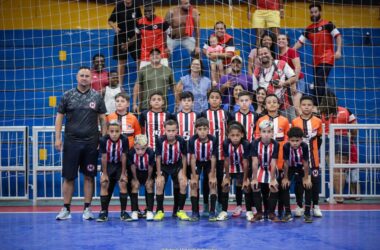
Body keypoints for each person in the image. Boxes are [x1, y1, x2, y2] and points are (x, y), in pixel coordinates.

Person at [55, 67, 107, 220]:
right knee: (68, 177)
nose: (84, 78)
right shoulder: (67, 95)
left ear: (91, 78)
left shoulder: (97, 97)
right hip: (71, 143)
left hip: (91, 143)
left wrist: (102, 139)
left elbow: (103, 119)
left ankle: (87, 209)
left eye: (87, 76)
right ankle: (66, 209)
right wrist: (57, 138)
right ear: (77, 77)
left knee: (89, 176)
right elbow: (59, 118)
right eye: (82, 75)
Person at [293, 3, 342, 106]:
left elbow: (338, 36)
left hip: (327, 58)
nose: (313, 14)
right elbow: (299, 43)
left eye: (315, 12)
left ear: (320, 12)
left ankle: (319, 107)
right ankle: (325, 105)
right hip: (316, 62)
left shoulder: (328, 24)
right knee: (317, 84)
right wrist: (290, 51)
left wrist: (338, 51)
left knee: (319, 82)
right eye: (311, 12)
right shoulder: (309, 29)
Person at [254, 94, 289, 218]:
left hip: (279, 159)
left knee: (277, 186)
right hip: (263, 159)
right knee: (264, 187)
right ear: (265, 105)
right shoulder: (261, 119)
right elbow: (257, 136)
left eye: (275, 102)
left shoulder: (284, 120)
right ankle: (265, 211)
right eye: (269, 102)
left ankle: (279, 211)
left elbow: (287, 139)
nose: (272, 104)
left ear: (279, 104)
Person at [320, 92, 357, 204]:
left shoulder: (320, 113)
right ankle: (339, 195)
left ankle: (337, 196)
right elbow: (355, 128)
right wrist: (351, 139)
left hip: (328, 140)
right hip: (344, 139)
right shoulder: (346, 110)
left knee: (333, 170)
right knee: (340, 170)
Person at [291, 95, 323, 217]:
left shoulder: (318, 121)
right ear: (300, 106)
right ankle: (299, 206)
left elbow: (319, 139)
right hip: (299, 159)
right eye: (304, 105)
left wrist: (313, 150)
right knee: (299, 183)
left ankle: (316, 206)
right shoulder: (295, 121)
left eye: (309, 105)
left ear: (313, 107)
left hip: (314, 158)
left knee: (314, 182)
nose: (306, 107)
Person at [200, 88, 231, 212]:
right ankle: (206, 203)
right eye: (212, 97)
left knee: (219, 178)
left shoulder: (226, 114)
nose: (214, 99)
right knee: (207, 179)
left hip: (222, 153)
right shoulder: (203, 114)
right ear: (208, 100)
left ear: (220, 100)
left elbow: (230, 131)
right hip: (207, 153)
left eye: (217, 97)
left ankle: (219, 203)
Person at [154, 120, 189, 221]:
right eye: (168, 130)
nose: (171, 133)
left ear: (177, 130)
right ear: (164, 130)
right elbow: (158, 158)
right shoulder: (160, 140)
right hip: (164, 166)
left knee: (183, 182)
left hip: (176, 165)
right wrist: (159, 175)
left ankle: (180, 211)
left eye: (173, 130)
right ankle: (160, 211)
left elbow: (184, 157)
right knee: (159, 183)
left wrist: (184, 174)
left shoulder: (181, 140)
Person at [97, 120, 130, 222]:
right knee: (104, 184)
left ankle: (123, 212)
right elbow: (103, 157)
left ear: (121, 131)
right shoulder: (103, 140)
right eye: (112, 131)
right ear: (107, 131)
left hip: (120, 165)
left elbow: (124, 156)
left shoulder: (124, 139)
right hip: (108, 164)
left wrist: (123, 173)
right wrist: (105, 174)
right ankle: (103, 212)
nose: (114, 134)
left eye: (117, 131)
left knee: (123, 183)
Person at [253, 46, 296, 122]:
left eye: (265, 53)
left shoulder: (281, 63)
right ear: (258, 57)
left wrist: (283, 84)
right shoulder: (257, 71)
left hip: (285, 105)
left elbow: (294, 77)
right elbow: (255, 91)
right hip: (267, 108)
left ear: (270, 54)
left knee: (289, 128)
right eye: (261, 54)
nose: (263, 55)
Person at [219, 122, 252, 221]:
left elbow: (246, 162)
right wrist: (227, 177)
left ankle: (249, 211)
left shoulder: (246, 144)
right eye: (232, 135)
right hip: (231, 168)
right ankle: (224, 211)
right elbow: (226, 160)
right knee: (225, 186)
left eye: (237, 135)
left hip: (243, 169)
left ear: (242, 134)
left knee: (245, 187)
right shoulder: (225, 143)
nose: (235, 138)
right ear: (228, 135)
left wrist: (245, 179)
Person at [188, 117, 218, 221]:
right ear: (196, 130)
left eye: (205, 129)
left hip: (209, 162)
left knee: (212, 183)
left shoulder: (213, 139)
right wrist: (193, 176)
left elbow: (214, 157)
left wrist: (213, 175)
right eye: (200, 129)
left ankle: (212, 211)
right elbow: (192, 158)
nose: (202, 132)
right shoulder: (192, 140)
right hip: (197, 162)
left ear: (209, 129)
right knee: (193, 184)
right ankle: (195, 212)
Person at [281, 127, 313, 223]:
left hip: (301, 167)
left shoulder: (304, 146)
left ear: (301, 140)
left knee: (307, 186)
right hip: (290, 167)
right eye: (292, 140)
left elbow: (306, 163)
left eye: (297, 141)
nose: (294, 143)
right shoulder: (286, 146)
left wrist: (306, 178)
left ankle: (307, 213)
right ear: (288, 139)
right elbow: (286, 163)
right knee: (284, 186)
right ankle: (287, 212)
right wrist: (286, 178)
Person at [250, 120, 280, 222]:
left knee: (274, 186)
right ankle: (259, 213)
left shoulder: (275, 144)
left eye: (269, 131)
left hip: (271, 169)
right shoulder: (254, 143)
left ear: (272, 133)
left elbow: (273, 162)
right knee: (254, 186)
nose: (266, 134)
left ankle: (271, 213)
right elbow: (254, 162)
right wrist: (254, 179)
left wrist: (272, 179)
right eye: (264, 131)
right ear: (260, 132)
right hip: (260, 168)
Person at [174, 91, 198, 217]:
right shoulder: (175, 117)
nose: (187, 103)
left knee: (194, 183)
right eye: (184, 100)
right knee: (181, 183)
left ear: (193, 102)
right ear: (180, 102)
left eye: (189, 100)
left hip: (194, 156)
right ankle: (178, 210)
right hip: (180, 157)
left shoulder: (198, 116)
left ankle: (195, 212)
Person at [108, 0, 142, 85]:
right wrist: (114, 27)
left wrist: (137, 33)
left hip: (134, 36)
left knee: (139, 60)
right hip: (121, 37)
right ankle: (120, 85)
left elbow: (141, 21)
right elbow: (110, 20)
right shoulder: (118, 6)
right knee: (121, 61)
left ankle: (140, 83)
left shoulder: (136, 6)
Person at [127, 3, 170, 69]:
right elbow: (136, 36)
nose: (147, 13)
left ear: (153, 11)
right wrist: (127, 44)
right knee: (143, 77)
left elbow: (169, 34)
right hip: (145, 54)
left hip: (161, 53)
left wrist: (167, 47)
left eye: (149, 11)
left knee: (164, 76)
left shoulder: (162, 22)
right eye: (145, 11)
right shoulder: (139, 22)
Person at [133, 48, 174, 113]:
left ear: (161, 56)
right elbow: (137, 86)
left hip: (162, 106)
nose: (155, 56)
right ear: (149, 57)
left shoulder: (168, 70)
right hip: (146, 106)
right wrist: (135, 103)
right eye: (152, 54)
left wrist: (177, 102)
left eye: (157, 54)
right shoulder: (143, 70)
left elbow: (173, 87)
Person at [129, 134, 156, 221]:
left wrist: (148, 179)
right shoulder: (131, 152)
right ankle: (134, 211)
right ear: (134, 146)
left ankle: (149, 211)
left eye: (143, 149)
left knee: (149, 185)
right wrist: (135, 179)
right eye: (137, 149)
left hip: (147, 173)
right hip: (136, 172)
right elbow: (132, 166)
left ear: (147, 146)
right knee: (134, 185)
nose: (140, 152)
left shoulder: (151, 153)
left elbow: (151, 167)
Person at [277, 34, 305, 115]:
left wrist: (294, 83)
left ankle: (306, 126)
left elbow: (298, 67)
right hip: (287, 83)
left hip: (297, 81)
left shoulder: (291, 51)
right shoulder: (278, 55)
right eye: (279, 39)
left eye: (283, 39)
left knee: (296, 107)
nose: (281, 40)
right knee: (290, 108)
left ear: (287, 42)